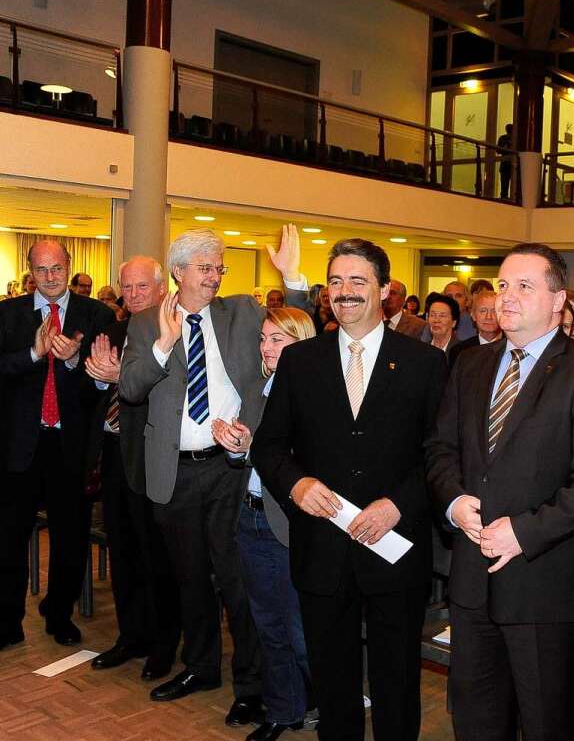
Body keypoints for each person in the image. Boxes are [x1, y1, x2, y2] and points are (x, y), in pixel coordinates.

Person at [252, 238, 446, 741]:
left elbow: (441, 455)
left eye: (358, 281)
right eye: (336, 282)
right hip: (323, 547)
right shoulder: (300, 361)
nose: (345, 292)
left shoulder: (425, 364)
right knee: (333, 679)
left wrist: (398, 505)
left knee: (396, 680)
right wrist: (297, 485)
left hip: (394, 546)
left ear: (384, 290)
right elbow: (269, 447)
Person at [426, 242, 574, 741]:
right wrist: (453, 501)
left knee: (547, 723)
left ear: (558, 300)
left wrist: (523, 533)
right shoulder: (470, 364)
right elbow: (441, 448)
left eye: (524, 286)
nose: (507, 296)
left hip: (543, 586)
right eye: (503, 285)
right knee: (477, 719)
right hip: (471, 583)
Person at [119, 229, 263, 724]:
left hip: (230, 470)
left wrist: (295, 277)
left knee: (235, 578)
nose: (215, 276)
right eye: (206, 267)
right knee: (190, 577)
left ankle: (252, 683)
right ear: (178, 271)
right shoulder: (143, 323)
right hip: (174, 471)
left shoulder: (240, 312)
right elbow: (131, 389)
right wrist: (162, 345)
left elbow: (296, 326)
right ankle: (201, 666)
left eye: (219, 267)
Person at [0, 240, 114, 648]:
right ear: (30, 270)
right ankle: (7, 621)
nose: (50, 277)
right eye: (42, 269)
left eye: (57, 268)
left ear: (70, 266)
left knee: (70, 537)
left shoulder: (97, 315)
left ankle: (60, 613)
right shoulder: (8, 314)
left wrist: (72, 363)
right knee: (9, 538)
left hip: (71, 446)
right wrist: (34, 353)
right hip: (18, 447)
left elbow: (100, 389)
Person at [213, 307, 316, 741]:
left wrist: (253, 449)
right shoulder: (256, 389)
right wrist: (236, 448)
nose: (266, 348)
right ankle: (282, 708)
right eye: (264, 339)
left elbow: (309, 466)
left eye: (278, 340)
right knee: (266, 623)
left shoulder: (317, 394)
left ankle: (331, 700)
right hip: (250, 516)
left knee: (299, 629)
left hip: (291, 523)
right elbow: (248, 458)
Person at [83, 256, 181, 681]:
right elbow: (98, 390)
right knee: (123, 553)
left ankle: (163, 643)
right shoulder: (116, 330)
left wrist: (122, 375)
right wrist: (102, 379)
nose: (135, 295)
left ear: (162, 289)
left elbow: (169, 387)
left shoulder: (176, 331)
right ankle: (131, 635)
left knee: (157, 556)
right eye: (128, 288)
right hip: (117, 456)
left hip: (156, 458)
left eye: (143, 287)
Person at [448, 288, 503, 367]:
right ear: (473, 315)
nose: (488, 317)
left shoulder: (513, 348)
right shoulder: (459, 351)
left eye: (494, 311)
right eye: (483, 311)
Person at [425, 291, 460, 360]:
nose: (436, 320)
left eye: (442, 316)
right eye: (432, 315)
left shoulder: (462, 351)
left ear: (454, 323)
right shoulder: (422, 349)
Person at [497, 122, 514, 199]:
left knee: (504, 182)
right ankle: (509, 197)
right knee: (506, 181)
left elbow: (498, 150)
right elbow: (498, 150)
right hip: (510, 163)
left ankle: (504, 197)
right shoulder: (515, 139)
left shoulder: (502, 138)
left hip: (505, 163)